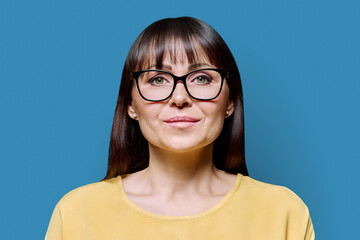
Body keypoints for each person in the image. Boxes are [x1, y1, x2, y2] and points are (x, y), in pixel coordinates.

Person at [45, 17, 315, 239]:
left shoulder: (284, 212)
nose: (179, 98)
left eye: (201, 78)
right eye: (158, 79)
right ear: (130, 105)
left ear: (230, 101)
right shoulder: (76, 214)